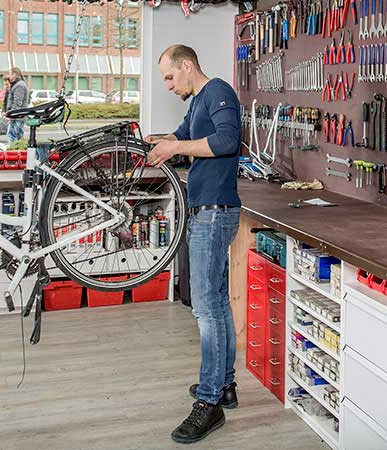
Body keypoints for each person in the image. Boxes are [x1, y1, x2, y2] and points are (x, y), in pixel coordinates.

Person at [145, 44, 242, 444]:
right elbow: (182, 136)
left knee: (206, 309)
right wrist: (155, 141)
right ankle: (226, 386)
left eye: (169, 77)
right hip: (206, 211)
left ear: (187, 66)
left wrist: (175, 148)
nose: (168, 85)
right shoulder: (199, 101)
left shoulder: (218, 90)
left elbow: (226, 141)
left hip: (216, 212)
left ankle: (209, 403)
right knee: (215, 303)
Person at [4, 67, 30, 143]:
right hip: (17, 116)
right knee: (19, 136)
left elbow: (17, 103)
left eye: (10, 74)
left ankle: (13, 151)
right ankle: (21, 151)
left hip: (17, 116)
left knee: (12, 135)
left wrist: (10, 115)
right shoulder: (17, 84)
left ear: (14, 74)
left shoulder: (19, 86)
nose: (9, 76)